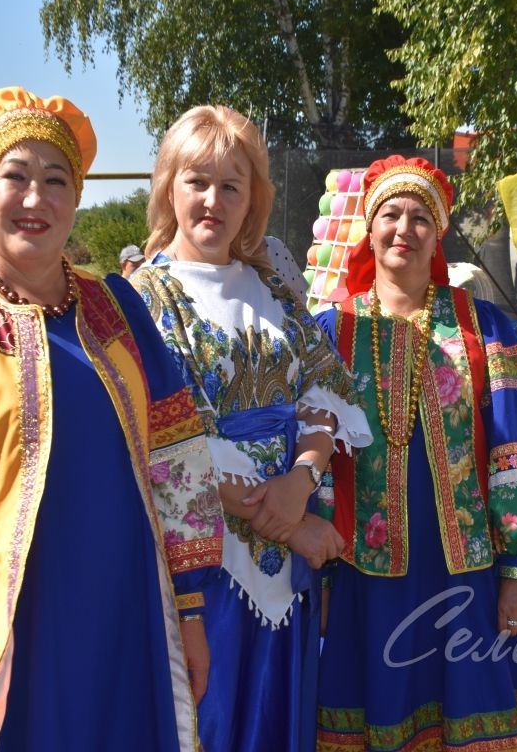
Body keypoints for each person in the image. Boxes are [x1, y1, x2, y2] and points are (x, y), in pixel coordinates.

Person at [0, 86, 213, 752]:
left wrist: (189, 611)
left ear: (75, 199)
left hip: (128, 620)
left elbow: (177, 457)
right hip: (1, 646)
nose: (35, 199)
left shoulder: (120, 310)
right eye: (15, 177)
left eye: (56, 180)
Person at [132, 104, 371, 752]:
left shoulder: (275, 289)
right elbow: (172, 441)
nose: (212, 201)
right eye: (197, 181)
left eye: (230, 185)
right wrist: (295, 524)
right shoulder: (147, 296)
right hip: (205, 569)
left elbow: (324, 390)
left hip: (287, 575)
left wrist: (304, 475)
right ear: (168, 188)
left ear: (253, 199)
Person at [315, 155, 517, 751]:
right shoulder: (330, 331)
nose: (404, 229)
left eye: (421, 217)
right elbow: (310, 456)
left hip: (465, 571)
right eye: (390, 214)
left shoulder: (484, 328)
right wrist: (312, 571)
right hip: (365, 575)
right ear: (369, 229)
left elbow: (515, 449)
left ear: (438, 233)